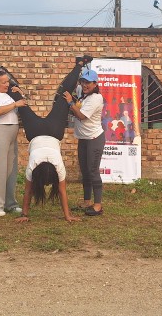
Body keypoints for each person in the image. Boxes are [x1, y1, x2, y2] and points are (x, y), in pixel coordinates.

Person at [13, 56, 93, 223]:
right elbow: (33, 192)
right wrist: (67, 216)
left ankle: (79, 64)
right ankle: (12, 88)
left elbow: (34, 192)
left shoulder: (57, 167)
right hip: (35, 132)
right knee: (21, 104)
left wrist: (25, 215)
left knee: (65, 94)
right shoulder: (33, 167)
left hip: (53, 131)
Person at [64, 69, 106, 216]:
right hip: (83, 139)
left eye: (88, 82)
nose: (84, 85)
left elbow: (81, 116)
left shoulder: (96, 98)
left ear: (95, 84)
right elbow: (73, 83)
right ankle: (87, 201)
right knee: (85, 171)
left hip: (94, 139)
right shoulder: (83, 94)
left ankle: (98, 205)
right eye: (83, 82)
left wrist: (70, 102)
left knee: (93, 171)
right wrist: (78, 66)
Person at [0, 69, 26, 216]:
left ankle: (10, 204)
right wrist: (15, 105)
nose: (7, 84)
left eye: (8, 81)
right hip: (1, 131)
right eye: (4, 82)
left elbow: (24, 104)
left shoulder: (7, 95)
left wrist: (19, 94)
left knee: (11, 170)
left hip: (12, 132)